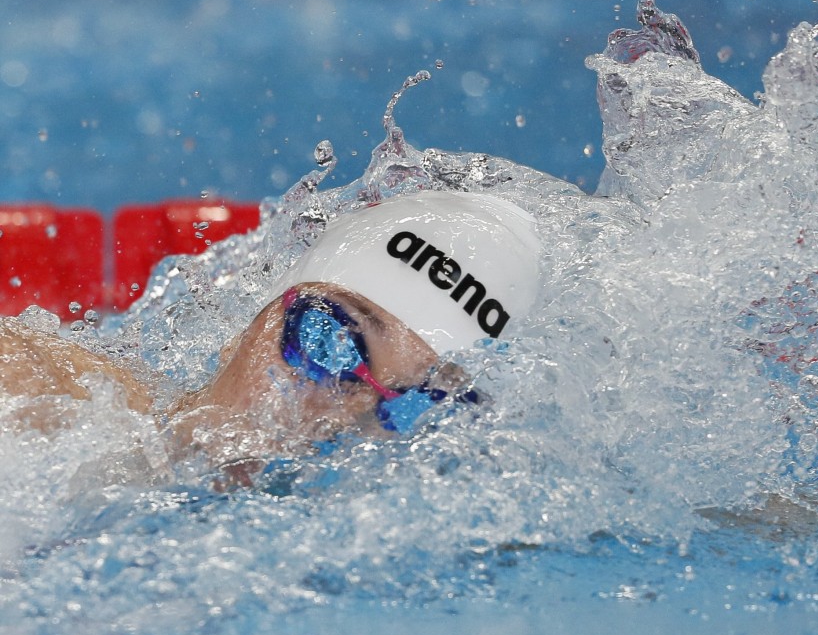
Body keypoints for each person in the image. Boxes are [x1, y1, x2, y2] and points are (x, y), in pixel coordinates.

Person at [0, 190, 543, 487]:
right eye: (327, 340)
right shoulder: (37, 394)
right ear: (242, 329)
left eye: (410, 406)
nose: (333, 416)